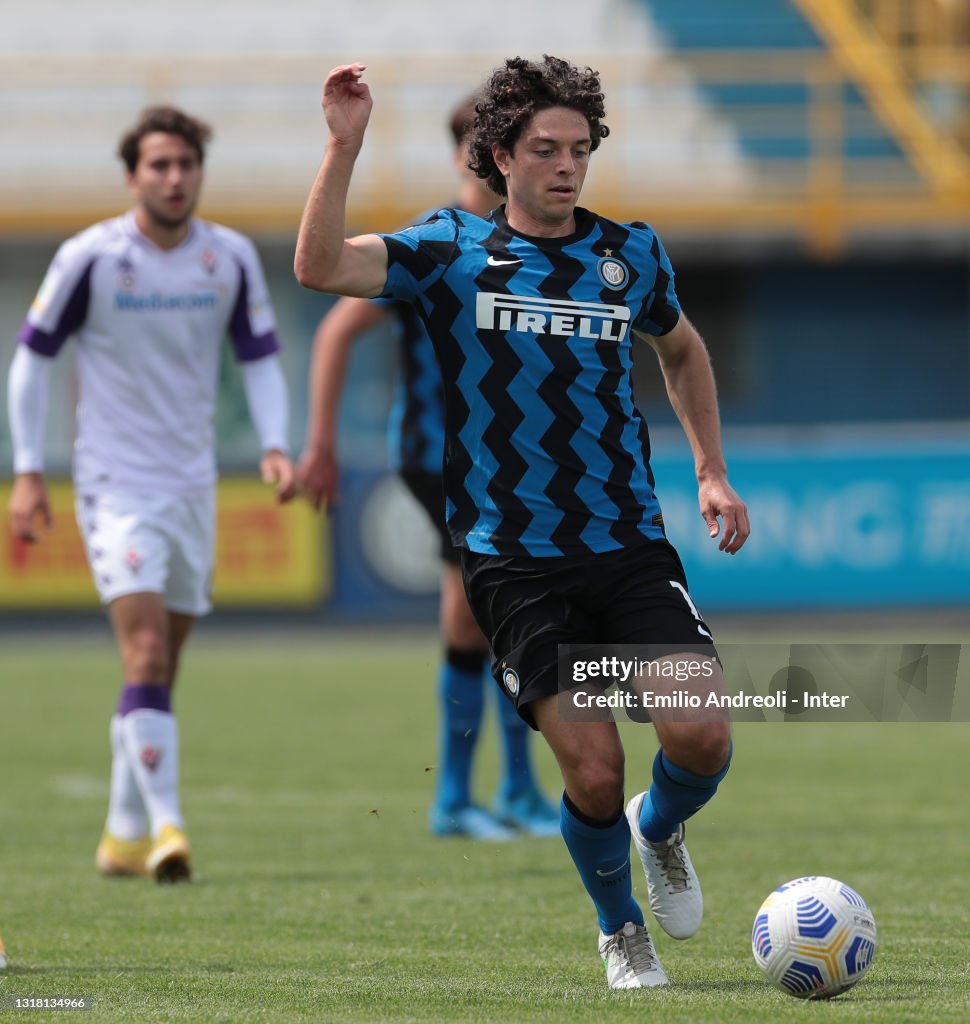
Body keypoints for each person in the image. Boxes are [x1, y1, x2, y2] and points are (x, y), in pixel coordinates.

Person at [294, 57, 749, 988]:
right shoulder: (448, 248)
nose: (567, 165)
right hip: (513, 562)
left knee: (701, 737)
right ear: (499, 156)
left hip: (627, 544)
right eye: (545, 148)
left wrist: (711, 471)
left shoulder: (633, 255)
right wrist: (343, 147)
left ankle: (656, 830)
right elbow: (321, 268)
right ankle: (620, 927)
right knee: (591, 769)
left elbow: (684, 349)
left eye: (580, 148)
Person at [8, 105, 295, 884]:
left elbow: (262, 357)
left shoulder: (227, 259)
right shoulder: (91, 258)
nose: (174, 178)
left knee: (159, 666)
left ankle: (121, 829)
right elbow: (32, 361)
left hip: (193, 484)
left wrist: (275, 444)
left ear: (199, 172)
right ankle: (169, 828)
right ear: (132, 176)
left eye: (186, 164)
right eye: (159, 166)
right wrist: (29, 470)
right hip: (113, 483)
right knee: (142, 651)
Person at [296, 96, 558, 841]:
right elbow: (337, 329)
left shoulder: (531, 243)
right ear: (462, 156)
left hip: (510, 464)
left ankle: (507, 790)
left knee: (505, 616)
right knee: (485, 612)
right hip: (440, 457)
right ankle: (466, 795)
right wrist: (320, 441)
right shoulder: (436, 243)